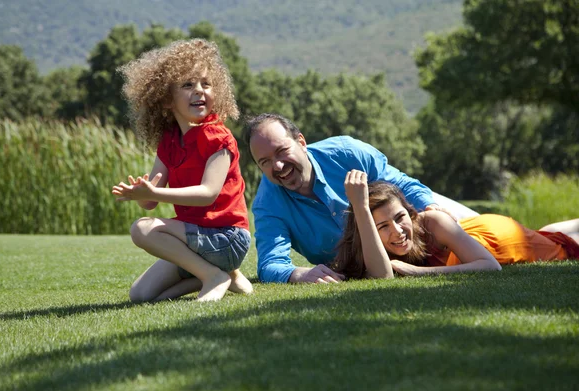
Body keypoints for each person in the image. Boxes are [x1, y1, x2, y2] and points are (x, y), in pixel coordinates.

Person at [244, 113, 479, 284]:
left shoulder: (347, 152)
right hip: (380, 262)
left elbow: (402, 183)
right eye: (264, 162)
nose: (278, 165)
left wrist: (431, 208)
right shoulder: (267, 205)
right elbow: (269, 264)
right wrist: (299, 274)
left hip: (416, 232)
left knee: (492, 235)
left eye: (282, 151)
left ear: (301, 142)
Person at [112, 38, 252, 302]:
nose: (199, 91)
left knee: (140, 229)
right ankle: (221, 275)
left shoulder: (218, 138)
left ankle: (215, 276)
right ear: (166, 99)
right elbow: (151, 202)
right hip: (196, 241)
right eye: (188, 85)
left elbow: (208, 193)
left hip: (227, 238)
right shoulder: (169, 142)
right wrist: (141, 194)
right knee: (141, 295)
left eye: (205, 84)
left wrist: (157, 194)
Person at [332, 170, 579, 279]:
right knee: (550, 234)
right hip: (477, 234)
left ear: (411, 213)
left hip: (499, 239)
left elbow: (490, 267)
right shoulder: (368, 249)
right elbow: (382, 276)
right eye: (382, 226)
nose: (397, 231)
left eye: (399, 218)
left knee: (563, 247)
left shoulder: (433, 221)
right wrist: (361, 208)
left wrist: (419, 272)